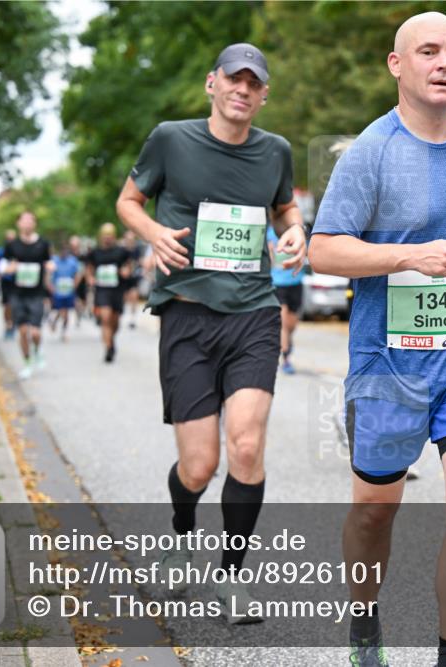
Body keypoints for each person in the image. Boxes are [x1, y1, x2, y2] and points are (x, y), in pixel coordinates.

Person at [308, 13, 446, 667]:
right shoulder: (369, 153)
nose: (444, 63)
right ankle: (364, 624)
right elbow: (323, 250)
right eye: (428, 51)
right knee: (375, 511)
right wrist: (407, 257)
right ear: (396, 64)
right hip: (388, 364)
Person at [116, 42, 305, 623]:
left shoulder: (276, 151)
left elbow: (284, 210)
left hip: (252, 313)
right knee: (198, 466)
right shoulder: (171, 139)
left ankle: (230, 577)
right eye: (234, 79)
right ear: (212, 84)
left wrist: (296, 232)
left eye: (254, 83)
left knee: (246, 445)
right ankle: (180, 532)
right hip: (187, 312)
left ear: (264, 93)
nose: (243, 90)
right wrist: (152, 231)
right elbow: (129, 200)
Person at [1, 213, 53, 379]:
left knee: (36, 333)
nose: (27, 223)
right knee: (23, 332)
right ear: (18, 224)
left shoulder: (43, 244)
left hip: (36, 293)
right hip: (18, 293)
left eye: (30, 220)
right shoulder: (12, 245)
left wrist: (50, 271)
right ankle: (27, 363)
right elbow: (2, 266)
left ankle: (37, 350)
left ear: (35, 224)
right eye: (24, 220)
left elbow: (49, 262)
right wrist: (10, 269)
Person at [86, 223, 132, 362]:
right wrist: (90, 278)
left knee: (115, 321)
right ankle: (108, 348)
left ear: (114, 236)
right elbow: (89, 268)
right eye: (105, 236)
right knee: (105, 318)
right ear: (101, 237)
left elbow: (129, 265)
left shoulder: (121, 251)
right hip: (102, 289)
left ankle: (111, 339)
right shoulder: (95, 252)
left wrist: (126, 271)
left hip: (117, 290)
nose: (107, 238)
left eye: (110, 235)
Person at [267, 225, 303, 374]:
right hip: (278, 283)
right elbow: (269, 257)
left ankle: (287, 343)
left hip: (295, 282)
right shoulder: (271, 232)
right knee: (282, 321)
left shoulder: (297, 232)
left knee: (291, 324)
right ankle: (286, 358)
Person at [49, 242, 80, 342]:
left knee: (65, 311)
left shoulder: (72, 261)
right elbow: (49, 274)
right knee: (61, 310)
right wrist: (51, 287)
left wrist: (75, 285)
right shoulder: (54, 261)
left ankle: (63, 330)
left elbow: (77, 274)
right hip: (58, 289)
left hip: (69, 289)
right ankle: (55, 322)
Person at [121, 230, 144, 329]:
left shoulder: (137, 250)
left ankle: (132, 318)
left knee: (134, 296)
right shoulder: (121, 250)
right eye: (128, 239)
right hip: (123, 277)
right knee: (124, 297)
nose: (130, 241)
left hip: (133, 276)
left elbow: (139, 261)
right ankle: (123, 315)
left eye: (131, 239)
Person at [0, 229, 18, 338]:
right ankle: (8, 324)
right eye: (9, 239)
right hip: (6, 281)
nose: (10, 241)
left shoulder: (20, 250)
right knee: (7, 305)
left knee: (15, 304)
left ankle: (13, 323)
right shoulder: (1, 251)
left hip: (18, 282)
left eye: (12, 239)